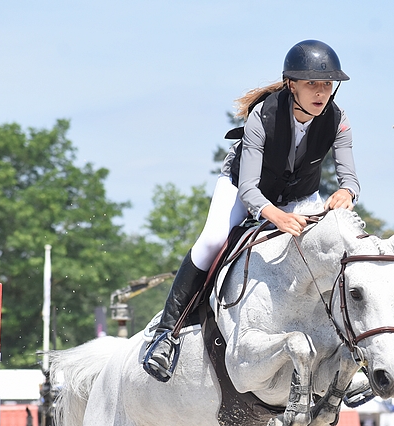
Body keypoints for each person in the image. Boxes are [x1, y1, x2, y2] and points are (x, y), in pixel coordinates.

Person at [142, 39, 359, 382]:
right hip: (245, 189)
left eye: (327, 85)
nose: (321, 92)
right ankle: (165, 335)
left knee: (336, 251)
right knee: (212, 241)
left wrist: (347, 192)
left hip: (298, 196)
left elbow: (350, 179)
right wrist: (276, 216)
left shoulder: (337, 119)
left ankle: (349, 349)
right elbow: (248, 189)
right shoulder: (265, 114)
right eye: (312, 84)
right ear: (292, 85)